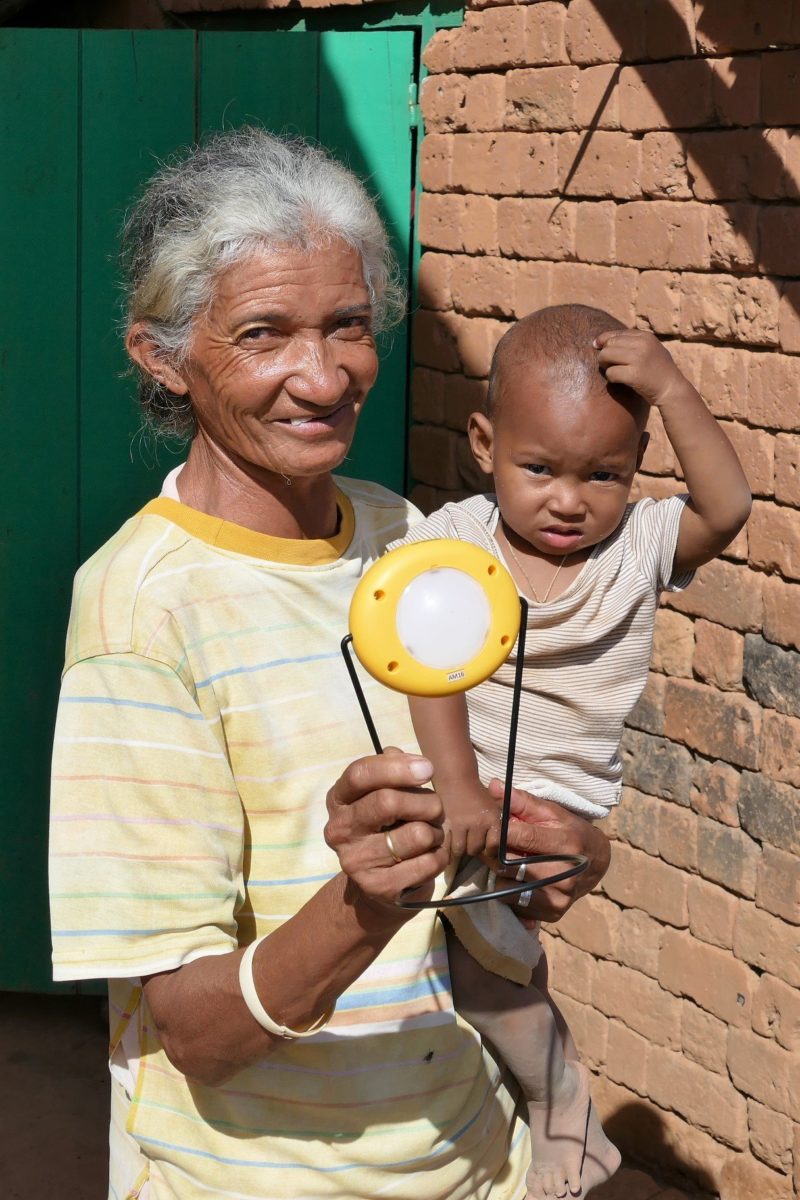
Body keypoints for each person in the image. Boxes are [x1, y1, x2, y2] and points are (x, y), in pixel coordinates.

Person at [48, 132, 612, 1200]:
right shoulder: (142, 611)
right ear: (162, 357)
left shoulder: (404, 539)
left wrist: (551, 855)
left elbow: (460, 850)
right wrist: (363, 902)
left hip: (478, 1158)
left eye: (348, 325)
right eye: (263, 333)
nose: (324, 376)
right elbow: (192, 1032)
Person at [393, 305, 752, 1200]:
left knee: (482, 974)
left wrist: (673, 388)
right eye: (539, 468)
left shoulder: (637, 546)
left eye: (604, 474)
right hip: (463, 791)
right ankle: (529, 1121)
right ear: (485, 444)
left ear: (636, 466)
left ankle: (565, 1119)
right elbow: (424, 666)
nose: (569, 499)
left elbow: (728, 507)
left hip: (553, 810)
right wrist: (458, 784)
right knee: (481, 967)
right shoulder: (452, 543)